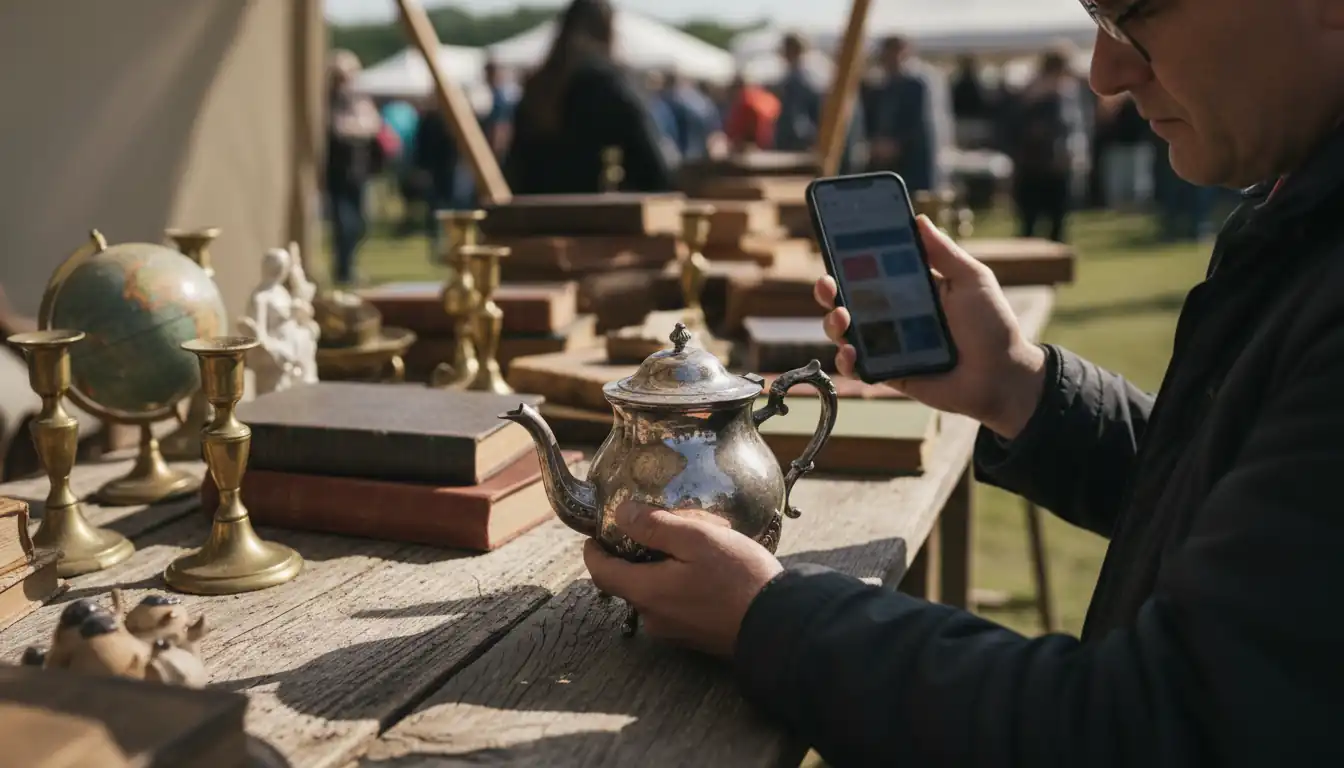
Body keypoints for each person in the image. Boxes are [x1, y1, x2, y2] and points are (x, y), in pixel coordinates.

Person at [583, 0, 1344, 764]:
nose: (1106, 72)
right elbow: (1231, 493)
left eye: (1132, 16)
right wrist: (1021, 389)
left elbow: (1151, 726)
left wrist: (768, 616)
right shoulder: (1299, 214)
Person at [504, 0, 673, 194]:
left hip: (534, 215)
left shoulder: (538, 88)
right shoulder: (611, 86)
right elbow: (654, 170)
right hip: (600, 216)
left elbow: (515, 168)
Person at [1007, 48, 1088, 242]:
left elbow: (1075, 128)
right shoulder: (1029, 94)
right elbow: (1015, 129)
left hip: (1059, 167)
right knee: (1029, 224)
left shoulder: (1068, 94)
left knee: (1058, 225)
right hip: (1033, 167)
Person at [324, 50, 382, 286]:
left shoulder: (359, 100)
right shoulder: (329, 102)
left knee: (359, 224)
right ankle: (343, 270)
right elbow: (339, 129)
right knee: (344, 225)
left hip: (359, 173)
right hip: (338, 174)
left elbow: (372, 126)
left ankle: (349, 267)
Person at [866, 36, 937, 192]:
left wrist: (897, 144)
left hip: (913, 157)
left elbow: (919, 121)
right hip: (886, 159)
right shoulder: (880, 86)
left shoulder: (916, 84)